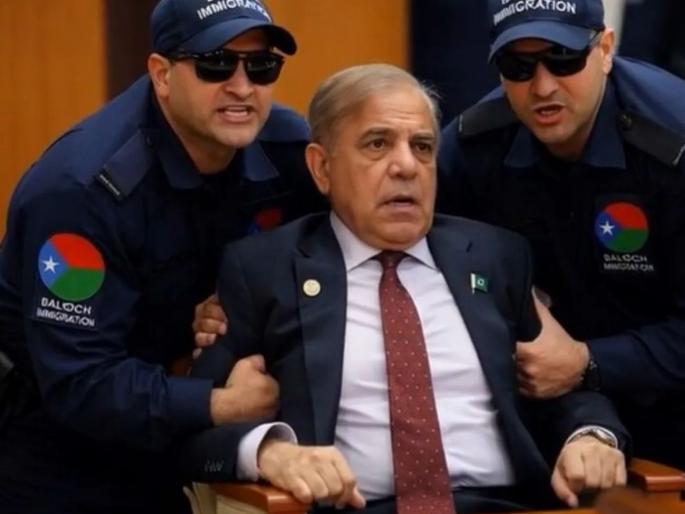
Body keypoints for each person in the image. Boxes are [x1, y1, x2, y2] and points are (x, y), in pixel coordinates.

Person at [184, 64, 629, 514]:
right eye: (377, 144)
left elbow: (560, 385)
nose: (406, 167)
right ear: (321, 168)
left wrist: (591, 436)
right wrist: (270, 451)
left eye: (422, 147)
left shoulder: (496, 257)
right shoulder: (265, 269)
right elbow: (193, 432)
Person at [0, 0, 325, 513]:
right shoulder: (81, 192)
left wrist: (242, 304)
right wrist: (221, 403)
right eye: (216, 64)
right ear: (162, 74)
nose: (242, 87)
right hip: (59, 451)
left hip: (175, 432)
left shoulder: (288, 149)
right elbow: (80, 383)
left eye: (262, 66)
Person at [438, 0, 685, 470]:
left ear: (605, 50)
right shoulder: (474, 148)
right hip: (554, 415)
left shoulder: (673, 140)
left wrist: (586, 362)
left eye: (564, 59)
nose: (543, 86)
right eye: (518, 66)